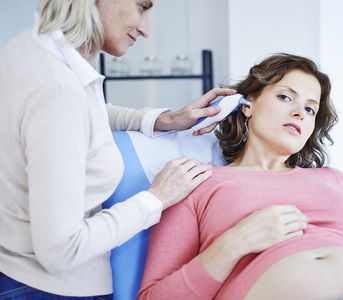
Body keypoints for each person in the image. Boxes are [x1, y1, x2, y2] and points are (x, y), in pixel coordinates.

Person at [0, 0, 236, 298]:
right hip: (50, 289)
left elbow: (81, 111)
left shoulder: (31, 46)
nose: (147, 29)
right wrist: (156, 198)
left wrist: (163, 119)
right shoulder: (59, 91)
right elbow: (60, 251)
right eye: (141, 7)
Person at [138, 53, 343, 300]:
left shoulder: (336, 180)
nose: (299, 113)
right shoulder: (197, 181)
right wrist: (234, 243)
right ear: (247, 105)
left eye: (310, 109)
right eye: (286, 97)